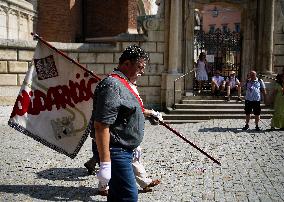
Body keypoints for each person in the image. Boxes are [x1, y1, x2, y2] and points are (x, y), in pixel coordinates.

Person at [92, 45, 162, 201]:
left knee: (118, 196)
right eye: (139, 67)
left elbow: (130, 110)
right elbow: (101, 125)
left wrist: (151, 114)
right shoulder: (113, 85)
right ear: (127, 64)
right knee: (129, 196)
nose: (142, 71)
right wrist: (105, 163)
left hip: (125, 150)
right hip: (116, 151)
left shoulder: (125, 84)